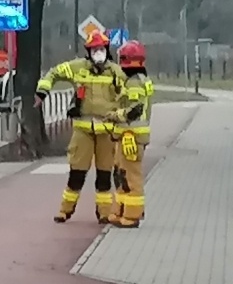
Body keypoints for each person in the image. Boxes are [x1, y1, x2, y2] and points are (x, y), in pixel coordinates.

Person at [36, 29, 128, 224]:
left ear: (107, 50)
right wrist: (42, 91)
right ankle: (65, 210)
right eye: (94, 50)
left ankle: (104, 213)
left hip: (107, 131)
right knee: (77, 173)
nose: (98, 53)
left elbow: (128, 96)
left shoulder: (116, 72)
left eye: (101, 49)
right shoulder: (78, 68)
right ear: (88, 52)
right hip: (83, 130)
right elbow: (53, 72)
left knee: (104, 175)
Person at [110, 40, 153, 227]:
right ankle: (121, 211)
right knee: (121, 175)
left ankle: (132, 215)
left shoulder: (134, 82)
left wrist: (115, 115)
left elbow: (134, 110)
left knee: (131, 177)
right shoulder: (135, 79)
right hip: (127, 135)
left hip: (132, 136)